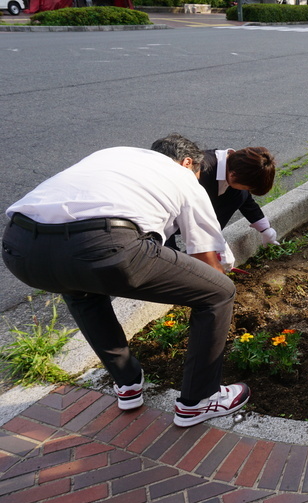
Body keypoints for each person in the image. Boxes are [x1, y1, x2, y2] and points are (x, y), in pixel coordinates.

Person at [2, 135, 250, 428]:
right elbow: (206, 257)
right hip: (104, 244)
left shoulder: (113, 153)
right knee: (219, 292)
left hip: (20, 248)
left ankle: (127, 383)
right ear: (189, 164)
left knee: (80, 288)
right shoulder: (184, 178)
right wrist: (210, 288)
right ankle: (199, 400)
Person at [152, 138, 279, 251]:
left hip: (193, 214)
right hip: (166, 215)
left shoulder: (235, 167)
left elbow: (246, 200)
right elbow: (169, 211)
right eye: (247, 187)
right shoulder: (201, 171)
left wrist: (265, 229)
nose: (247, 191)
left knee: (240, 195)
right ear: (233, 175)